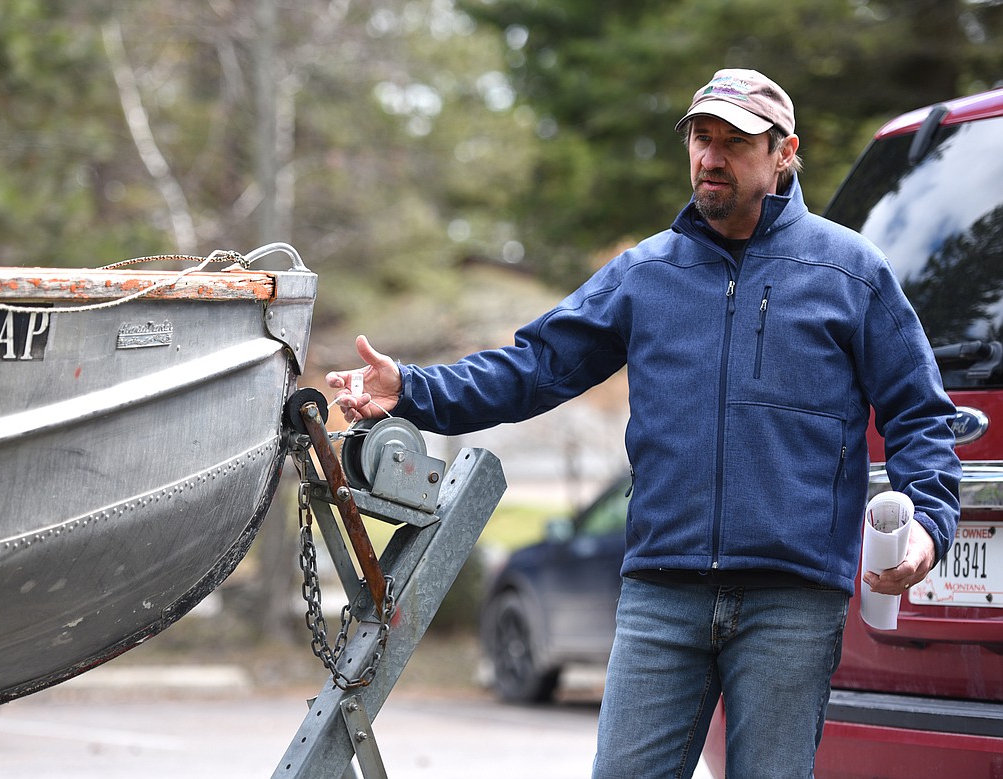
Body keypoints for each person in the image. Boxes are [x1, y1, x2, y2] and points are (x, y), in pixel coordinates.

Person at [326, 68, 960, 778]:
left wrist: (932, 521)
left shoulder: (853, 272)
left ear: (785, 153)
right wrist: (411, 386)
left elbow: (919, 412)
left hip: (794, 597)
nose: (710, 157)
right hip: (663, 594)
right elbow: (533, 367)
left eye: (735, 143)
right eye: (701, 137)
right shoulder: (645, 273)